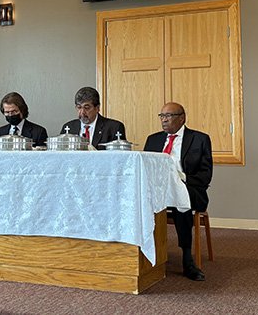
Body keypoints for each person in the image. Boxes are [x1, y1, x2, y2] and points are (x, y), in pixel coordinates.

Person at [143, 102, 213, 281]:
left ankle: (187, 258)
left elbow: (205, 176)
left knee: (181, 201)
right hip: (159, 189)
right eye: (162, 116)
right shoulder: (153, 139)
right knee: (138, 200)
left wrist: (180, 179)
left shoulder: (199, 139)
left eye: (169, 116)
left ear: (182, 118)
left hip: (189, 188)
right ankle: (143, 252)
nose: (164, 120)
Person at [60, 87, 126, 150]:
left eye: (86, 108)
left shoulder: (114, 128)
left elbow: (118, 158)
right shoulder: (68, 128)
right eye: (79, 107)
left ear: (97, 108)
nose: (82, 112)